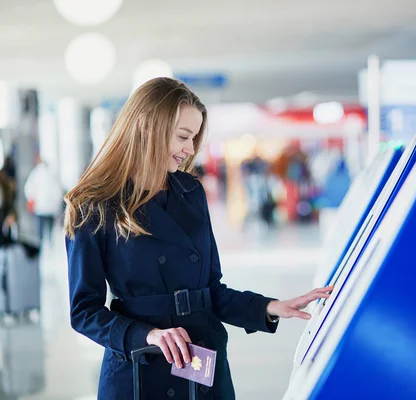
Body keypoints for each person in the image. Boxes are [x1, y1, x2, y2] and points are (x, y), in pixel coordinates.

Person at [64, 78, 332, 399]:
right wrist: (147, 335)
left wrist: (271, 306)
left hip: (201, 360)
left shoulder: (191, 193)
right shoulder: (94, 204)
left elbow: (211, 291)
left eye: (193, 139)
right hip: (139, 369)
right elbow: (85, 312)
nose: (189, 150)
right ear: (148, 128)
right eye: (183, 137)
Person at [24, 157, 64, 244]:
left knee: (40, 226)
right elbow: (58, 190)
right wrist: (57, 202)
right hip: (50, 207)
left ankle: (41, 241)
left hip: (39, 206)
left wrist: (32, 198)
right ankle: (50, 240)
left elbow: (28, 188)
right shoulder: (52, 173)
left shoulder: (35, 173)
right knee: (50, 225)